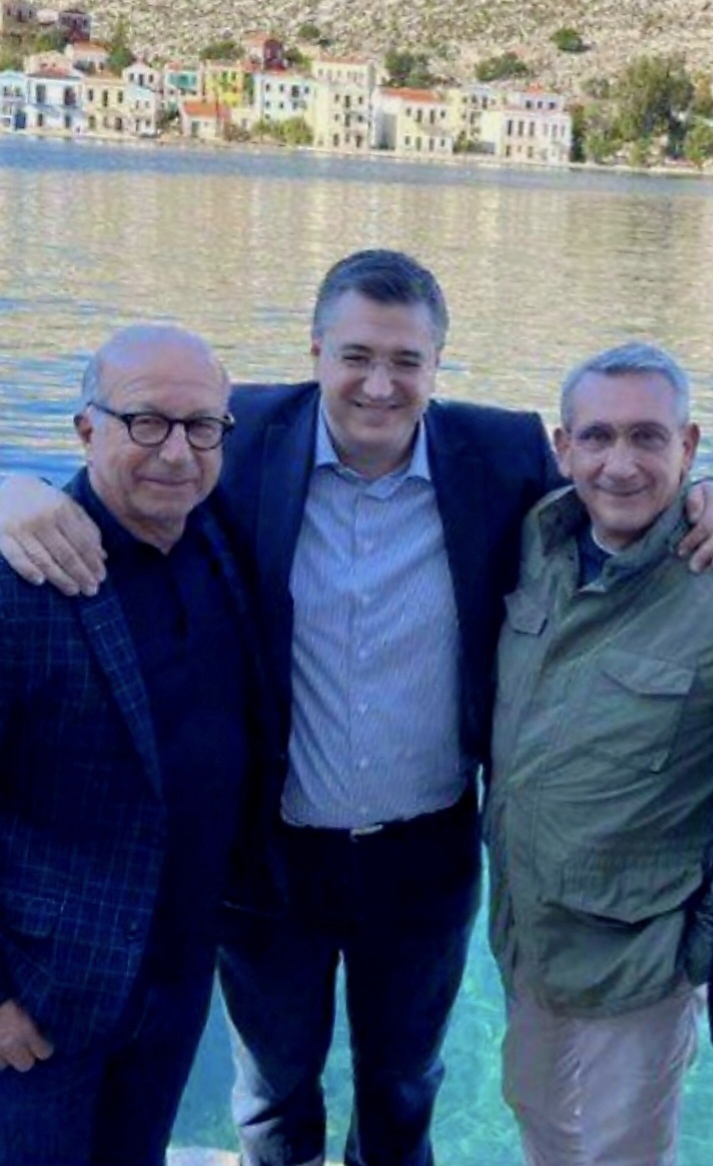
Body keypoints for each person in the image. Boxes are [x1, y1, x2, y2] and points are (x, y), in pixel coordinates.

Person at [1, 254, 713, 1166]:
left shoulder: (499, 453)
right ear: (315, 353)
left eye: (406, 360)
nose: (379, 385)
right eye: (356, 356)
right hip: (272, 859)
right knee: (272, 1093)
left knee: (402, 1087)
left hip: (425, 855)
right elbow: (123, 454)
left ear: (437, 363)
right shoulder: (234, 438)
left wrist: (700, 494)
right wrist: (12, 493)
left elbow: (619, 492)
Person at [0, 323, 261, 1166]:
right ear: (86, 428)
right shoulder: (22, 573)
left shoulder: (216, 537)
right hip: (43, 995)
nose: (176, 453)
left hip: (178, 976)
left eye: (201, 427)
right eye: (145, 422)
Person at [486, 342, 713, 1166]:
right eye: (597, 437)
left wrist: (693, 951)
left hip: (637, 967)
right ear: (562, 447)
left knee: (622, 1153)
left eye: (647, 437)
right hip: (526, 939)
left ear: (686, 445)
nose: (620, 464)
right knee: (538, 1121)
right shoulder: (535, 541)